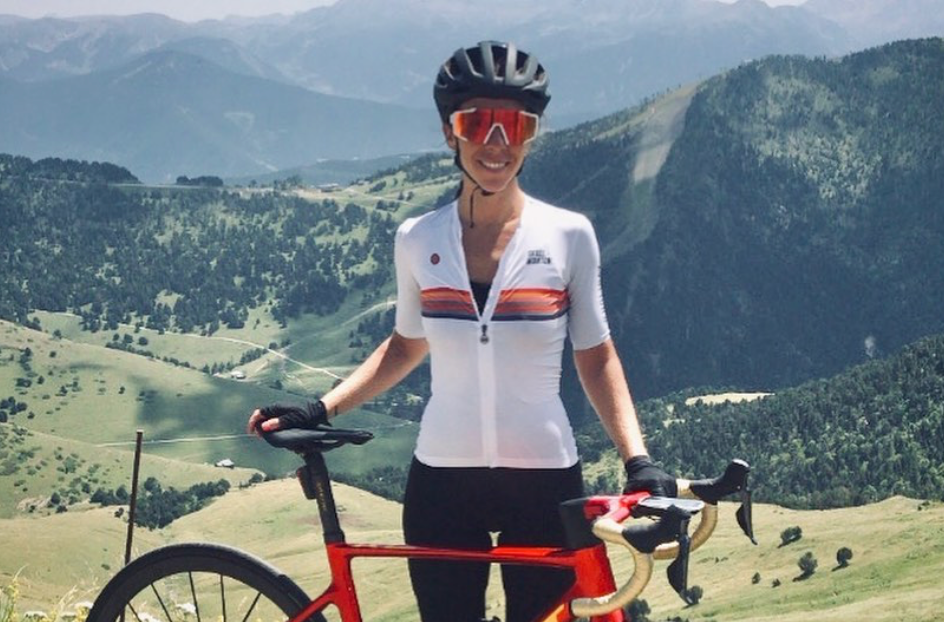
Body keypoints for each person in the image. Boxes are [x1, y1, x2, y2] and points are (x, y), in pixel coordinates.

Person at [248, 40, 676, 622]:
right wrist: (321, 408)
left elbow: (596, 355)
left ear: (531, 135)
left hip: (544, 483)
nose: (495, 144)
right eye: (477, 123)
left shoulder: (568, 237)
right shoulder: (418, 239)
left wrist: (638, 460)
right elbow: (405, 344)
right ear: (451, 133)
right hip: (442, 483)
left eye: (514, 125)